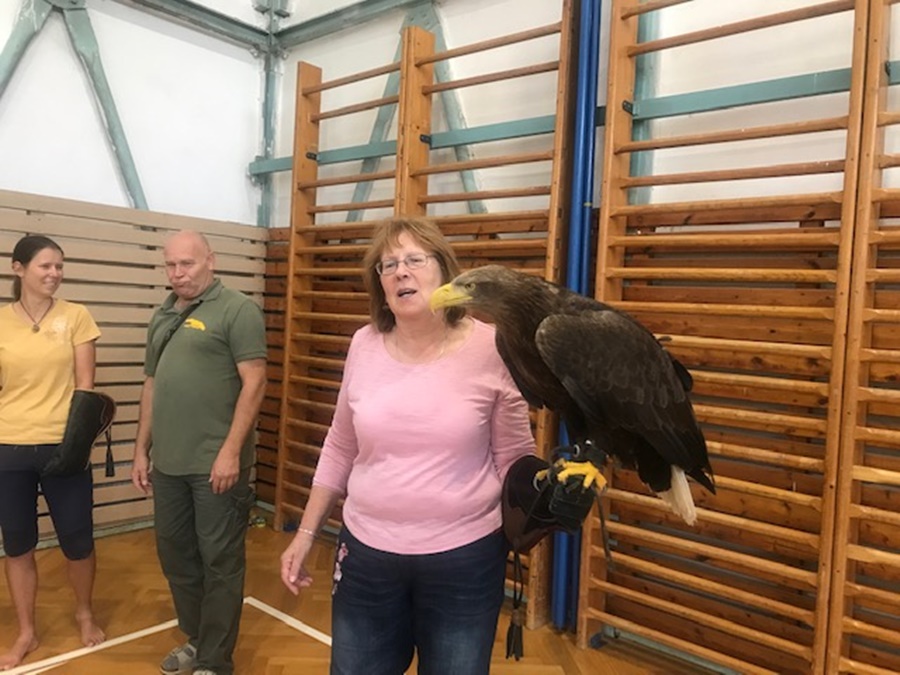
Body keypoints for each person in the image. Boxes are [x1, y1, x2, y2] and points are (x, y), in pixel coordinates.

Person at [279, 217, 536, 675]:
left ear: (445, 272)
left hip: (465, 559)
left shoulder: (495, 347)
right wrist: (305, 533)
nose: (401, 271)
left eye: (415, 259)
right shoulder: (363, 344)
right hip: (366, 557)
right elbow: (340, 445)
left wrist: (543, 495)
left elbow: (514, 458)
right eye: (388, 265)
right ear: (380, 286)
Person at [130, 230, 267, 675]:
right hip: (168, 465)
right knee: (176, 556)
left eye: (186, 263)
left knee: (220, 562)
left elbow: (255, 382)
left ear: (211, 260)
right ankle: (196, 638)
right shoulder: (163, 314)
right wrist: (141, 450)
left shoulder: (237, 310)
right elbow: (152, 385)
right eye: (170, 265)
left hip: (215, 466)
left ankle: (215, 660)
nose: (178, 273)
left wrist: (230, 452)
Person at [0, 234, 105, 670]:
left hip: (65, 448)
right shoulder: (1, 321)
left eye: (59, 266)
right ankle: (26, 631)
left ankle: (84, 614)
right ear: (18, 268)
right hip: (9, 448)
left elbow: (85, 388)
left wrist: (74, 446)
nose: (54, 273)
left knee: (78, 542)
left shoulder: (76, 316)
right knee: (18, 545)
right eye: (45, 265)